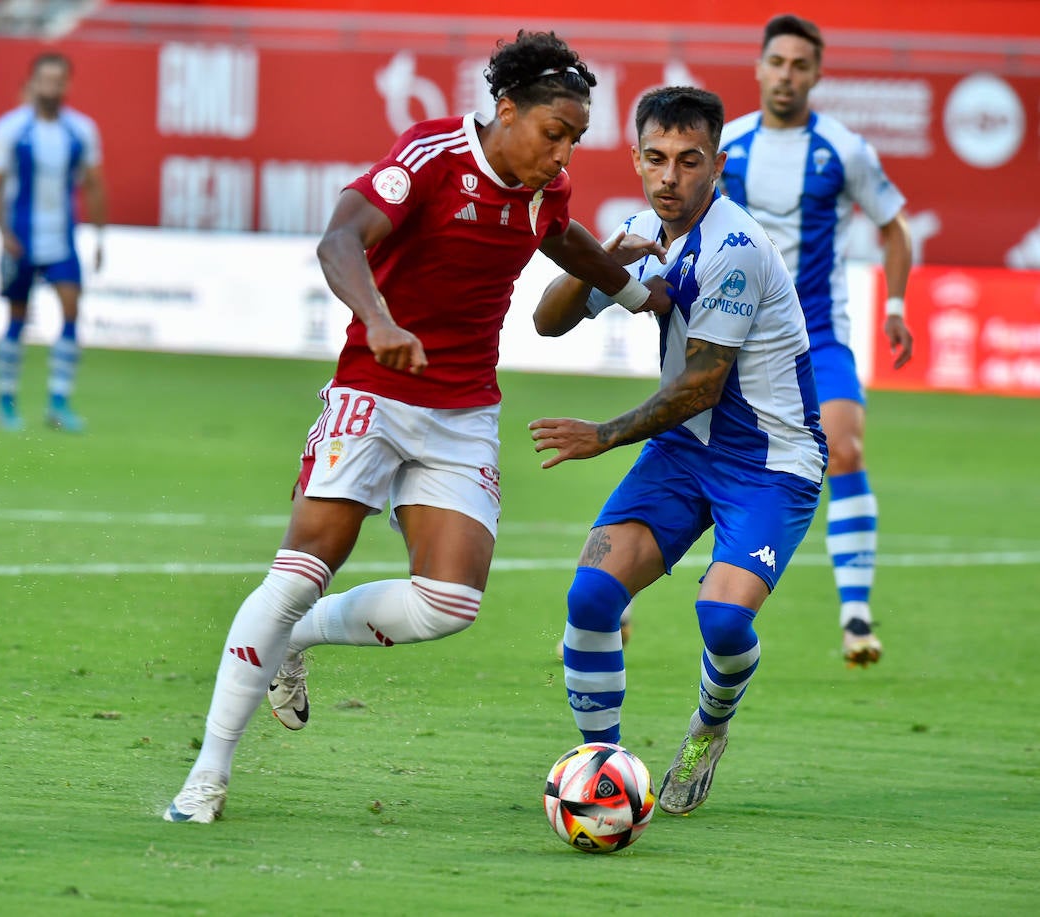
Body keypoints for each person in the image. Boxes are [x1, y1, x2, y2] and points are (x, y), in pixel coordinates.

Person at [163, 30, 671, 824]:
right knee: (297, 573)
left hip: (463, 408)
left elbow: (558, 237)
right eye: (553, 134)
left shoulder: (545, 192)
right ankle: (207, 774)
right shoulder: (430, 158)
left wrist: (642, 293)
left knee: (448, 603)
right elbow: (338, 240)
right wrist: (380, 319)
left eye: (574, 139)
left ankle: (297, 642)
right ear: (506, 110)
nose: (562, 154)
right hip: (375, 386)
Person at [530, 86, 826, 815]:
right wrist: (599, 262)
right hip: (682, 452)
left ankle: (708, 726)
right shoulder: (638, 228)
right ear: (636, 159)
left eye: (689, 161)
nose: (670, 177)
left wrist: (601, 436)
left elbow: (700, 384)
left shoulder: (736, 249)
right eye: (656, 159)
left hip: (770, 462)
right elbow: (546, 322)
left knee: (724, 621)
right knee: (591, 597)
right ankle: (602, 773)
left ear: (717, 163)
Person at [720, 15, 913, 667]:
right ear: (760, 67)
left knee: (847, 447)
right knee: (679, 446)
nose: (787, 75)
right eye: (778, 62)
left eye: (801, 65)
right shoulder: (727, 145)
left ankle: (856, 615)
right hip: (735, 336)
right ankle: (619, 597)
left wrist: (893, 304)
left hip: (817, 334)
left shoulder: (844, 149)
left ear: (817, 74)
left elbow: (895, 227)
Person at [0, 52, 107, 433]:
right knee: (17, 318)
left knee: (71, 311)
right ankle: (5, 401)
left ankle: (59, 401)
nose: (51, 87)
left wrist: (100, 235)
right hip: (21, 236)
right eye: (45, 80)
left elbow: (94, 184)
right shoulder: (10, 129)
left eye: (58, 80)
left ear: (67, 85)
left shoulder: (81, 131)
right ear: (33, 82)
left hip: (63, 236)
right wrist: (2, 232)